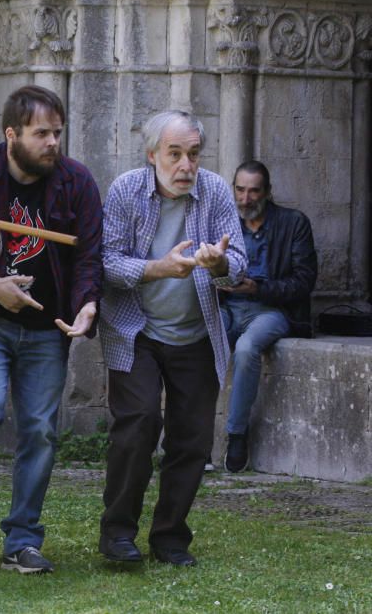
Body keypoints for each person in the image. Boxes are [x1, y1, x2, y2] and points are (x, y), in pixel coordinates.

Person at [0, 85, 103, 573]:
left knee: (40, 429)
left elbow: (89, 254)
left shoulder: (76, 181)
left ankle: (23, 537)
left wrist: (88, 305)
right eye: (40, 134)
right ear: (11, 134)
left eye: (57, 132)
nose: (52, 142)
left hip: (46, 326)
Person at [98, 110, 247, 567]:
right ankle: (118, 533)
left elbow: (238, 262)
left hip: (196, 331)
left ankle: (170, 537)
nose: (186, 166)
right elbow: (105, 261)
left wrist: (220, 265)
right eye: (175, 154)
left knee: (193, 440)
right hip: (136, 328)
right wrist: (157, 267)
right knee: (139, 423)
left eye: (194, 155)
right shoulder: (126, 190)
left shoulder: (217, 190)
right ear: (152, 155)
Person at [219, 160, 317, 472]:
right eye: (240, 190)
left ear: (268, 193)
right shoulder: (224, 222)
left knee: (247, 348)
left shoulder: (294, 223)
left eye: (253, 191)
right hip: (226, 307)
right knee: (200, 343)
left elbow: (304, 281)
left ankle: (237, 435)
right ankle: (192, 442)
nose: (245, 199)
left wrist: (257, 289)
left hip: (271, 310)